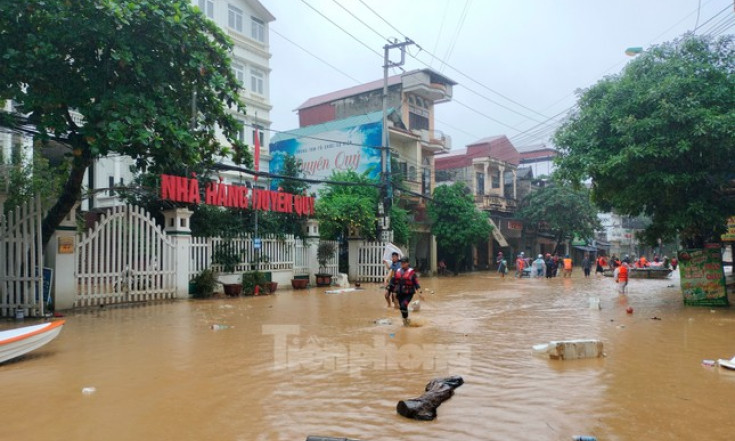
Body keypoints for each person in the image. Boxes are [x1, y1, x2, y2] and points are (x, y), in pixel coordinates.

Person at [393, 256, 422, 326]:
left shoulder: (412, 273)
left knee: (403, 305)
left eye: (404, 263)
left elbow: (416, 283)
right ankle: (406, 321)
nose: (402, 264)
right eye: (401, 263)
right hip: (400, 293)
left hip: (408, 293)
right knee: (402, 308)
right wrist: (394, 294)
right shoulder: (398, 271)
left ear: (408, 263)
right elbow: (394, 283)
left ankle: (406, 322)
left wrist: (420, 293)